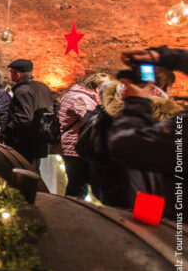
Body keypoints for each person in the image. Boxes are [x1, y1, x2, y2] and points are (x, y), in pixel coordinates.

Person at [102, 46, 185, 219]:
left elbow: (124, 146)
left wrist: (136, 104)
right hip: (157, 202)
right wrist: (162, 56)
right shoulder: (171, 114)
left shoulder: (112, 112)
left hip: (161, 212)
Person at [58, 73, 111, 198]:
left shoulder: (80, 96)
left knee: (78, 186)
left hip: (73, 146)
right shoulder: (80, 98)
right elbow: (91, 121)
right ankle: (71, 214)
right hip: (74, 148)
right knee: (78, 188)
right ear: (98, 88)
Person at [4, 58, 56, 167]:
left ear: (18, 75)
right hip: (41, 141)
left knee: (24, 174)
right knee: (34, 172)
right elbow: (56, 107)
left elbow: (24, 119)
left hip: (25, 143)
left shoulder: (22, 91)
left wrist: (6, 128)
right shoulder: (43, 87)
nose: (10, 74)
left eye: (11, 72)